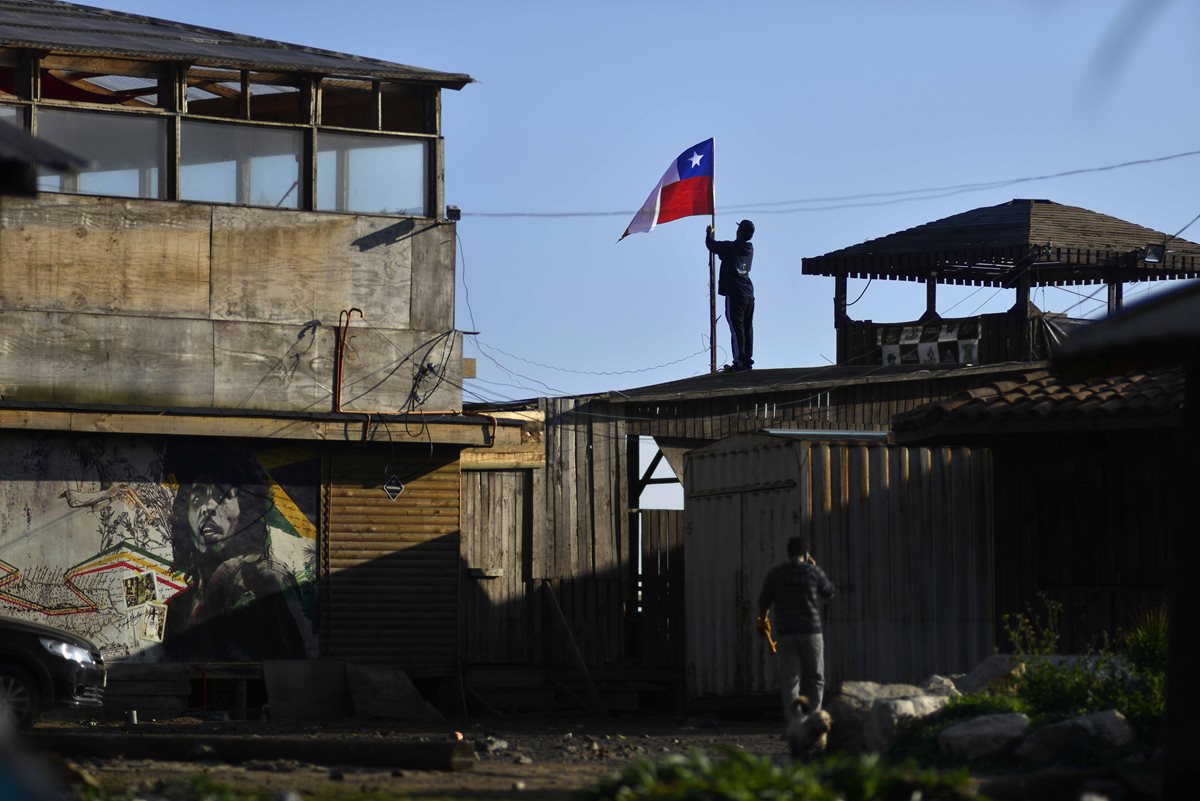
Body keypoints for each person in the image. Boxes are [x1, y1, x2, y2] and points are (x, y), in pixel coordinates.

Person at [162, 444, 310, 661]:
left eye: (222, 496)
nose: (208, 507)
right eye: (197, 498)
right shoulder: (178, 607)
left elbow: (287, 666)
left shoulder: (262, 579)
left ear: (246, 511)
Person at [757, 535, 834, 724]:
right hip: (811, 632)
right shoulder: (813, 572)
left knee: (791, 680)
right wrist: (814, 566)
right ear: (805, 553)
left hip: (787, 634)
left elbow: (763, 602)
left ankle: (795, 724)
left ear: (789, 553)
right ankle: (814, 720)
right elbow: (829, 592)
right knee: (815, 677)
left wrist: (764, 620)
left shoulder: (776, 574)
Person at [706, 219, 755, 371]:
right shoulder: (750, 248)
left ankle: (739, 362)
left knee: (737, 327)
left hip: (735, 293)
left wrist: (709, 234)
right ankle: (747, 361)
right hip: (749, 293)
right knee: (747, 327)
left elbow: (711, 246)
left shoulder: (731, 247)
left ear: (740, 231)